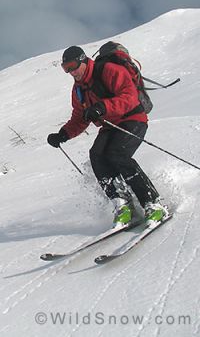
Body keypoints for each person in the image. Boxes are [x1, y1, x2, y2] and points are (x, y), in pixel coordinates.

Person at [47, 45, 168, 228]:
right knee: (97, 155)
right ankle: (123, 205)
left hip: (132, 118)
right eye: (66, 69)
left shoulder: (109, 71)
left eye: (72, 66)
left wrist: (103, 107)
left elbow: (129, 96)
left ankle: (153, 203)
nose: (71, 72)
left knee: (117, 153)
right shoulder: (78, 90)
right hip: (110, 125)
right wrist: (63, 134)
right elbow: (80, 118)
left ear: (83, 60)